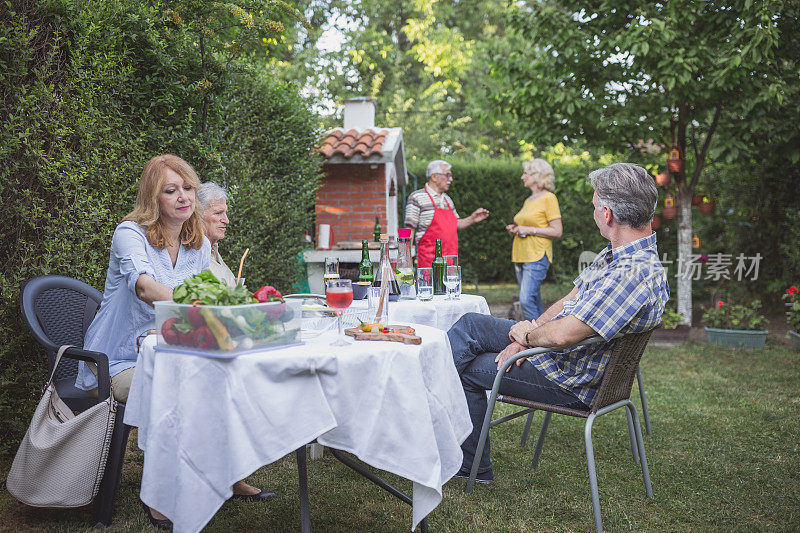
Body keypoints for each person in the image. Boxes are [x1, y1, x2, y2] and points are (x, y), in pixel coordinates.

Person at [74, 155, 272, 530]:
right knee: (174, 380)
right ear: (154, 198)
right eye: (171, 190)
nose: (183, 197)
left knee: (230, 370)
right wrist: (196, 305)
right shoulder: (129, 234)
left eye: (188, 188)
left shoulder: (195, 244)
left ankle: (227, 472)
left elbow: (196, 304)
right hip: (117, 360)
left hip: (174, 349)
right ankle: (160, 492)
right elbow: (146, 287)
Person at [448, 163, 669, 484]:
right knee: (470, 324)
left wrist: (528, 336)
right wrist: (528, 334)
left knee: (467, 369)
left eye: (594, 206)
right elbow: (570, 298)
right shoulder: (619, 255)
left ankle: (472, 467)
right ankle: (431, 409)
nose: (594, 212)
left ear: (607, 213)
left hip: (567, 377)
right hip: (558, 356)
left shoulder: (630, 274)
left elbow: (564, 335)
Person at [505, 159, 563, 320]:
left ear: (537, 176)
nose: (522, 177)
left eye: (526, 173)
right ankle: (545, 336)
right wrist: (516, 230)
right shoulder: (528, 200)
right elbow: (526, 226)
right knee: (533, 298)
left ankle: (533, 337)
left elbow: (557, 231)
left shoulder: (549, 198)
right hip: (520, 256)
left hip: (537, 256)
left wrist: (528, 229)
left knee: (525, 299)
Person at [404, 160, 489, 268]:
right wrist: (406, 261)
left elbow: (455, 224)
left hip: (451, 263)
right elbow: (409, 229)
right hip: (428, 264)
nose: (451, 179)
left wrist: (472, 218)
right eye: (447, 175)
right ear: (434, 176)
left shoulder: (447, 200)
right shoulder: (417, 197)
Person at [198, 182, 236, 287]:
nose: (226, 220)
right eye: (218, 213)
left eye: (225, 213)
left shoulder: (213, 249)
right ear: (198, 215)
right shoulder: (194, 256)